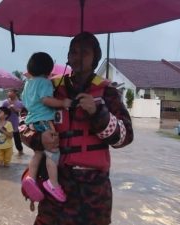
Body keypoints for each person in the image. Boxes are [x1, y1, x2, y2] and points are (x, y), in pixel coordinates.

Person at [34, 32, 134, 225]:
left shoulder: (108, 91)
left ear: (95, 58)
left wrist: (98, 113)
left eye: (85, 52)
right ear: (68, 56)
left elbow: (125, 137)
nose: (78, 57)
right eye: (74, 52)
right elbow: (25, 122)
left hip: (93, 192)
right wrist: (39, 139)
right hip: (55, 184)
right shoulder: (51, 88)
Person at [21, 52, 72, 203]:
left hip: (31, 121)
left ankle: (30, 177)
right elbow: (46, 100)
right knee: (53, 153)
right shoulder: (45, 83)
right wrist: (62, 103)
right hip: (44, 121)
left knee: (38, 153)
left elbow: (26, 102)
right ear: (48, 70)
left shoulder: (28, 83)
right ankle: (53, 184)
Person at [2, 89, 24, 154]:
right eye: (8, 91)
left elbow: (21, 112)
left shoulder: (19, 103)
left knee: (18, 142)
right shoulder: (5, 102)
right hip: (6, 125)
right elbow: (1, 112)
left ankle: (20, 153)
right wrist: (7, 109)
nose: (9, 93)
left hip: (15, 124)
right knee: (6, 141)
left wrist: (14, 108)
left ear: (15, 93)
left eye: (11, 91)